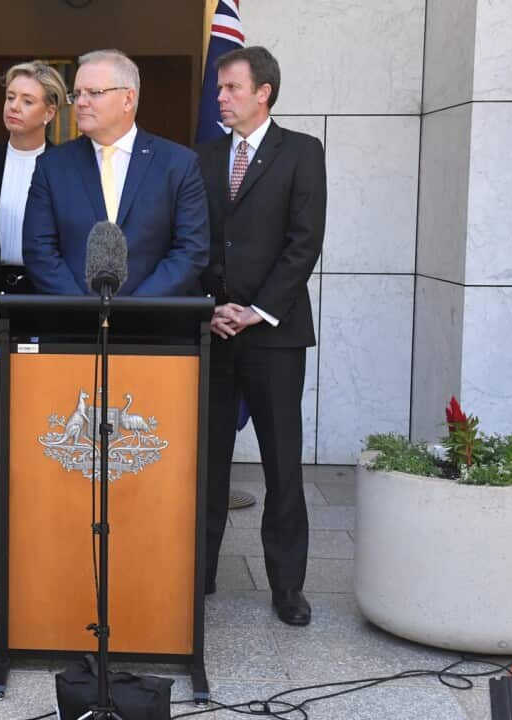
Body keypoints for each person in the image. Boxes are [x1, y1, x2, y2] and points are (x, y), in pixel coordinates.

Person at [195, 46, 326, 626]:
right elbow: (194, 238)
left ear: (263, 92)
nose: (220, 97)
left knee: (281, 464)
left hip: (274, 333)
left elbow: (305, 242)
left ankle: (287, 587)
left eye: (231, 88)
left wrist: (257, 310)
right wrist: (212, 306)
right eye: (220, 88)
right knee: (207, 462)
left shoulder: (301, 152)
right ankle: (199, 576)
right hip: (215, 329)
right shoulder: (203, 157)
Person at [22, 49, 208, 297]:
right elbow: (39, 250)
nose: (80, 103)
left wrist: (135, 308)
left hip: (153, 317)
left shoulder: (178, 164)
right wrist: (81, 307)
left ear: (128, 99)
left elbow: (190, 250)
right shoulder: (52, 166)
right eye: (76, 94)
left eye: (94, 93)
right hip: (73, 317)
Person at [0, 61, 66, 294]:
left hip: (45, 289)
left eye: (27, 101)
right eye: (10, 97)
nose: (14, 107)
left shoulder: (66, 169)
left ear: (49, 113)